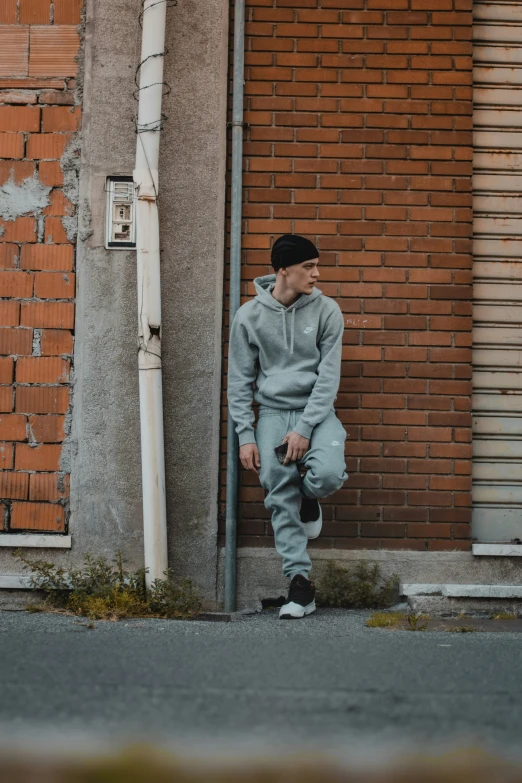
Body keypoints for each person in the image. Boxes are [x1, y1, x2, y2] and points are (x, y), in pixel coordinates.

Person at [227, 234, 348, 619]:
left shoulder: (327, 310)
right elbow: (239, 380)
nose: (317, 273)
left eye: (316, 265)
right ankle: (300, 584)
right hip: (274, 415)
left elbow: (328, 379)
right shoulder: (249, 316)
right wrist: (246, 435)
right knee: (278, 490)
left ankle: (309, 497)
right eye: (308, 267)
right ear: (283, 271)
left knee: (327, 475)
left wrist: (306, 428)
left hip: (317, 411)